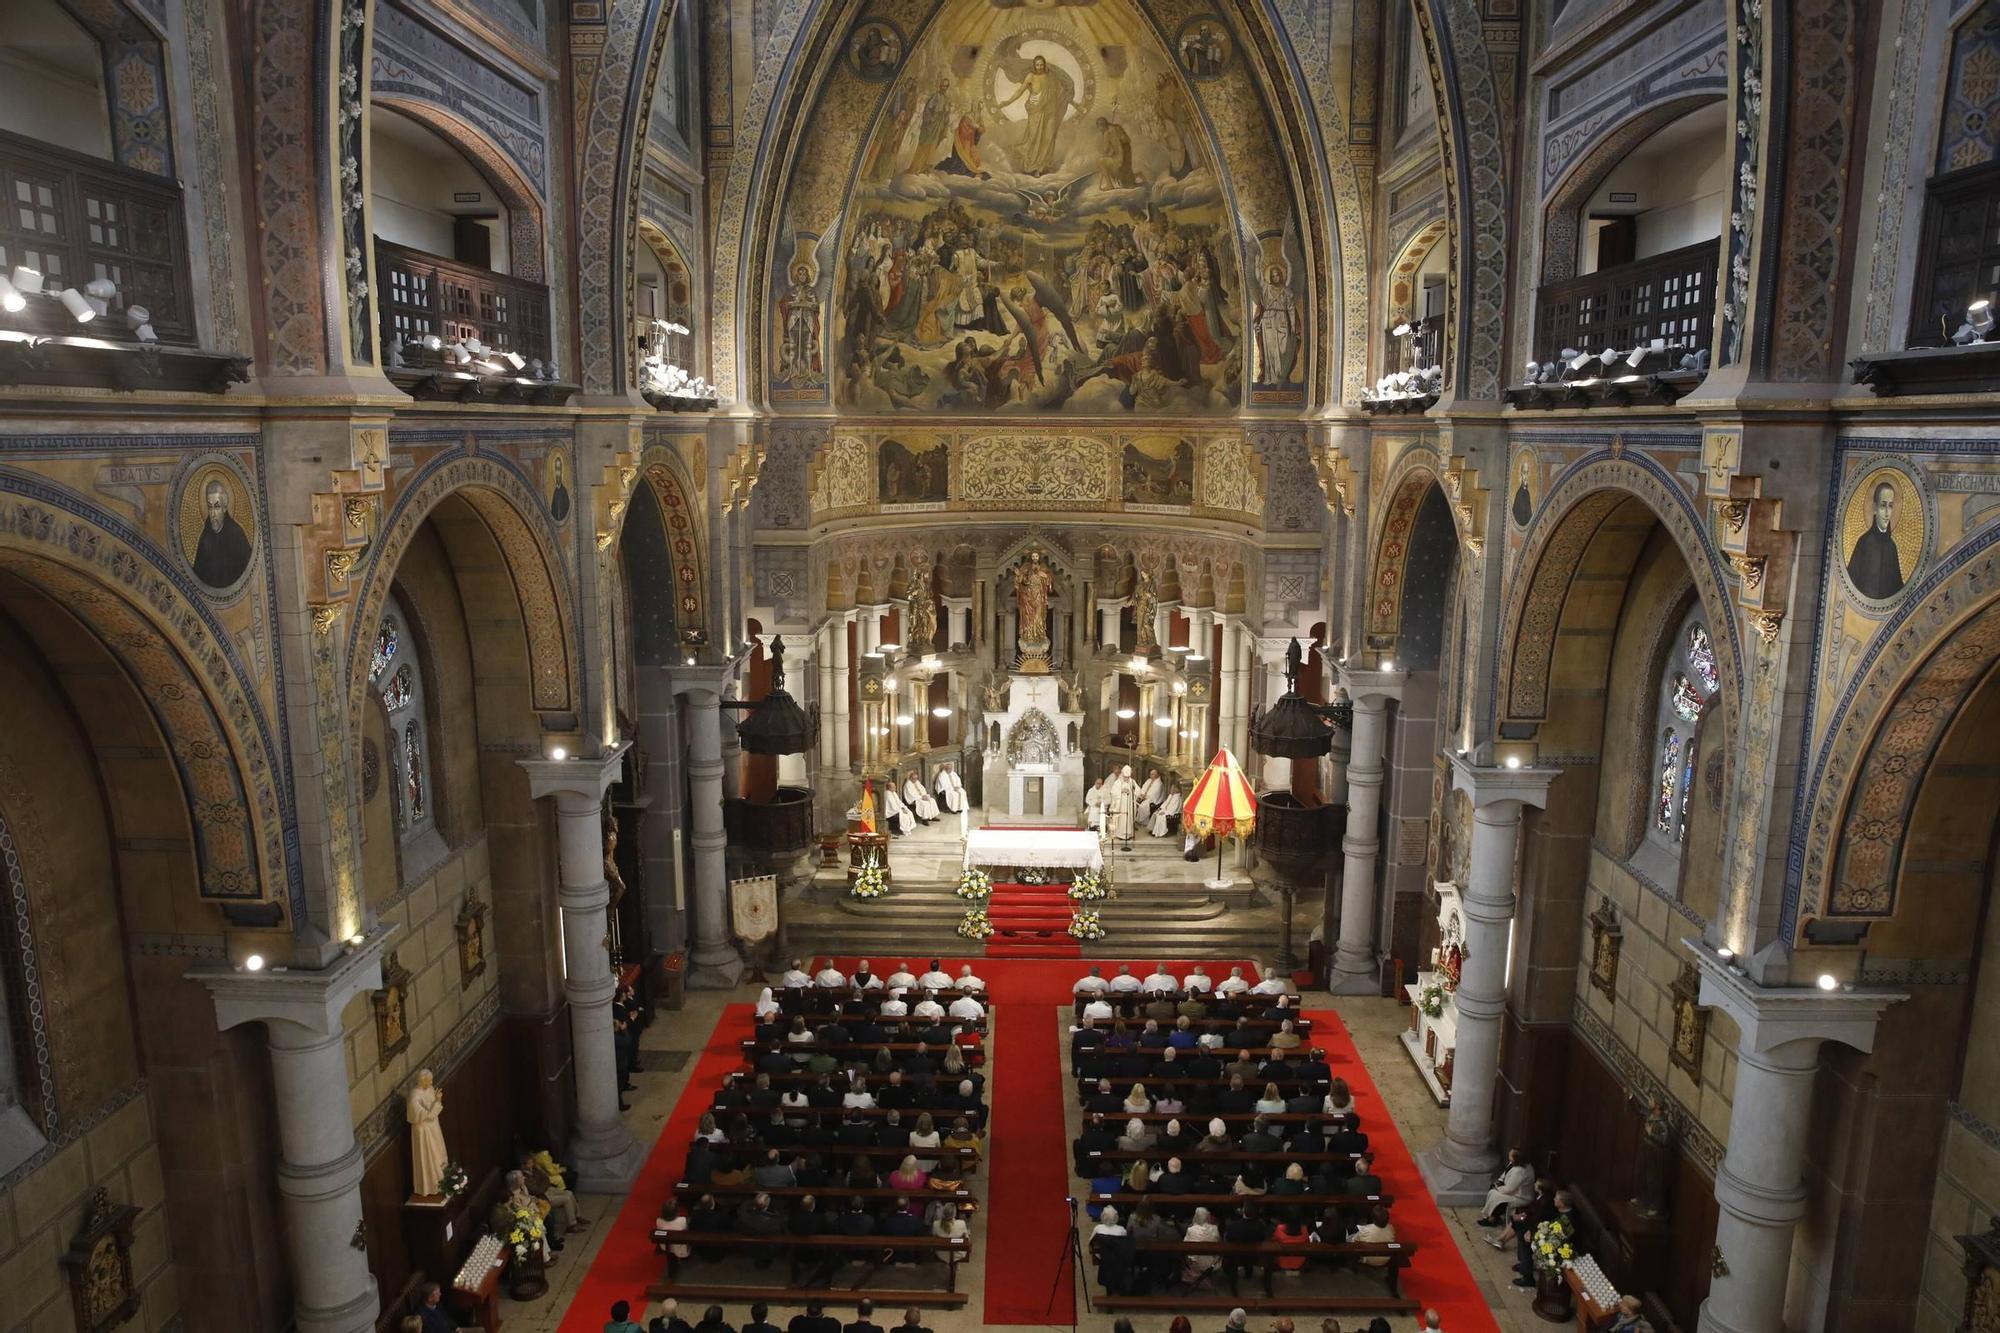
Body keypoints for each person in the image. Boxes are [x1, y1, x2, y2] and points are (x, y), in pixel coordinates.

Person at [1848, 479, 1906, 599]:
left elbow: (1898, 590)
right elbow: (1850, 586)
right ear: (1875, 508)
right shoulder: (1864, 543)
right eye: (1883, 505)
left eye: (1890, 506)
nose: (1886, 513)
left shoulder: (1892, 547)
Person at [1481, 1147, 1535, 1225]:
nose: (1508, 1155)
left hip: (1521, 1196)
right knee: (1493, 1191)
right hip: (1512, 1191)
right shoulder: (1513, 1163)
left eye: (1510, 1155)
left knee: (1496, 1196)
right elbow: (1505, 1173)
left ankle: (1492, 1219)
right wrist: (1499, 1181)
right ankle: (1492, 1216)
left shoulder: (1520, 1171)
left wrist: (1498, 1188)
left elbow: (1510, 1189)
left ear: (1516, 1158)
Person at [1181, 1206, 1222, 1282]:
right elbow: (1218, 1242)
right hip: (1212, 1264)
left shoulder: (1190, 1230)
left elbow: (1185, 1246)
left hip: (1195, 1264)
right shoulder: (1214, 1228)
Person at [1107, 765, 1140, 849]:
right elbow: (1113, 792)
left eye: (1128, 777)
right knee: (1122, 818)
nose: (1126, 778)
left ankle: (1129, 834)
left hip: (1129, 804)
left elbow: (1138, 790)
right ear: (1122, 774)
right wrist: (1121, 791)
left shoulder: (1132, 781)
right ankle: (1120, 834)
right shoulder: (1118, 782)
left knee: (1128, 818)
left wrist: (1134, 792)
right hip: (1121, 804)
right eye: (1125, 777)